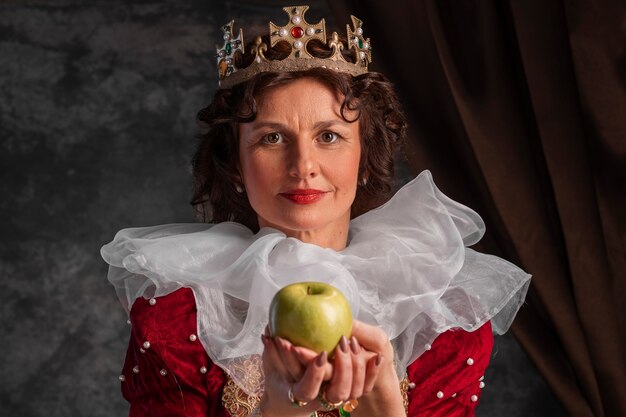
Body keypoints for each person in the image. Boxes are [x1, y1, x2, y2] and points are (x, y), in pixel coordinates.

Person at [101, 5, 531, 417]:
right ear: (235, 164)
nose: (303, 165)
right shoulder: (179, 321)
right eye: (272, 138)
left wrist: (384, 411)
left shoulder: (439, 320)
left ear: (364, 159)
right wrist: (276, 414)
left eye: (328, 136)